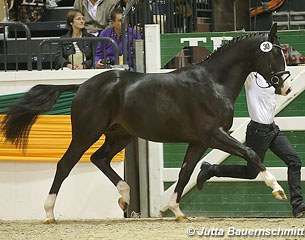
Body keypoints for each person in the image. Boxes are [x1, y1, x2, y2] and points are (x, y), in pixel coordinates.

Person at [196, 72, 305, 218]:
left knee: (295, 161)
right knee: (251, 173)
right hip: (258, 131)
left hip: (273, 129)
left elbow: (284, 90)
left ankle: (298, 206)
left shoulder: (272, 76)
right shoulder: (252, 77)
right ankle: (211, 170)